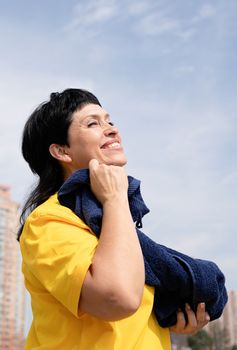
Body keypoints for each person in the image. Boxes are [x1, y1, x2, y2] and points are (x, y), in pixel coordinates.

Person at [18, 88, 210, 349]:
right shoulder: (48, 221)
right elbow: (117, 297)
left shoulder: (108, 220)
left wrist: (168, 315)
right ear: (62, 151)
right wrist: (115, 198)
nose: (111, 129)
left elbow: (129, 312)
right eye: (92, 123)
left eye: (109, 120)